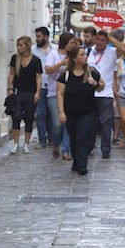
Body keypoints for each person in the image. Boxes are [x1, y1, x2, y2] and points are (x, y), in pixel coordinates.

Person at [57, 45, 104, 175]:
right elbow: (60, 93)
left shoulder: (91, 72)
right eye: (82, 55)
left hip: (88, 111)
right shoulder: (65, 75)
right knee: (74, 137)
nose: (85, 57)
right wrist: (61, 112)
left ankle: (82, 165)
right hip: (71, 111)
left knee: (82, 136)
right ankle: (76, 162)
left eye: (85, 54)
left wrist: (95, 84)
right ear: (74, 58)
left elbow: (101, 87)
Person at [7, 35, 42, 154]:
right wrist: (9, 88)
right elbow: (11, 73)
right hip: (18, 92)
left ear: (27, 46)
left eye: (21, 45)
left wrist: (37, 93)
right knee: (16, 117)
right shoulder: (15, 59)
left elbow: (38, 77)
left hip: (30, 92)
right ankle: (16, 143)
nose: (19, 47)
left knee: (29, 118)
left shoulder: (36, 60)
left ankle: (26, 143)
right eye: (18, 45)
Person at [44, 32, 76, 160]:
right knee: (57, 123)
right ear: (65, 42)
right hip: (53, 93)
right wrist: (61, 63)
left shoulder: (73, 56)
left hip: (70, 94)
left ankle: (66, 150)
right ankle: (56, 144)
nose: (73, 45)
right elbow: (48, 70)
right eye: (71, 43)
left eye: (74, 43)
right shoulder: (53, 54)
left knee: (67, 122)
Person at [87, 29, 118, 158]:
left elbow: (124, 49)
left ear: (107, 41)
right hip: (89, 93)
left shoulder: (112, 52)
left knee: (105, 121)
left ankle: (105, 149)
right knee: (90, 122)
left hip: (106, 92)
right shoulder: (88, 51)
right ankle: (89, 146)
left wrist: (111, 37)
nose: (99, 42)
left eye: (103, 40)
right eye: (98, 39)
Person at [32, 26, 52, 148]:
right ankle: (42, 139)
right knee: (40, 113)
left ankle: (52, 137)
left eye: (39, 37)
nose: (37, 39)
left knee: (51, 114)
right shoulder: (33, 50)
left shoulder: (55, 50)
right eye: (36, 37)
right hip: (39, 86)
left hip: (53, 86)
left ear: (46, 37)